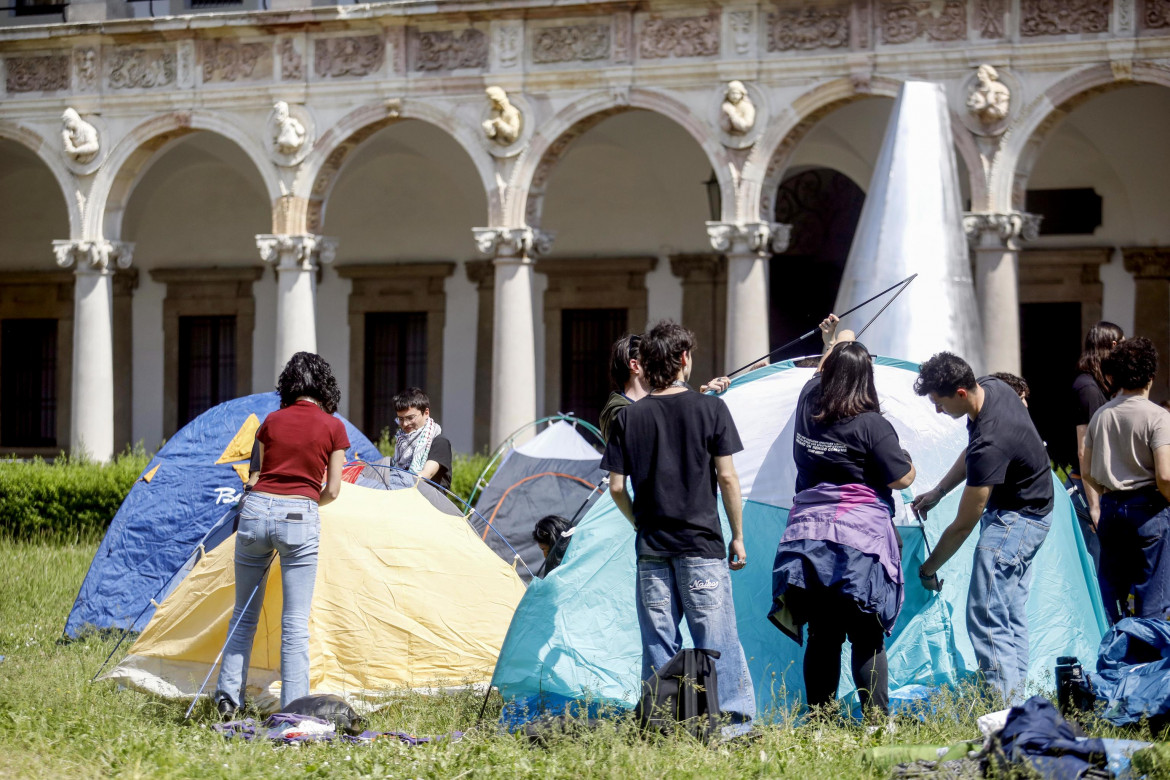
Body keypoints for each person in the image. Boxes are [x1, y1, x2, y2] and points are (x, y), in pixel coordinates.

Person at [601, 320, 755, 736]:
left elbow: (617, 487)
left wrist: (640, 523)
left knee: (658, 641)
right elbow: (727, 479)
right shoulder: (711, 409)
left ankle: (664, 727)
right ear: (684, 358)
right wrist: (737, 534)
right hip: (701, 545)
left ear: (646, 364)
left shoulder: (629, 418)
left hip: (651, 547)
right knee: (717, 637)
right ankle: (734, 726)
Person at [771, 316, 915, 718]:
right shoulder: (873, 425)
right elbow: (902, 478)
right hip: (859, 544)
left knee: (823, 634)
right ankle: (874, 723)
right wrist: (913, 466)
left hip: (807, 539)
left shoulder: (808, 403)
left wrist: (831, 340)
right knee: (866, 635)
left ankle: (819, 722)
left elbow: (824, 370)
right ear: (867, 379)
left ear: (827, 370)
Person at [911, 353, 1054, 706]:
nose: (938, 411)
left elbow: (962, 526)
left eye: (939, 403)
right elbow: (972, 452)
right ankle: (1019, 705)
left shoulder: (993, 439)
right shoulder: (993, 387)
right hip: (1036, 512)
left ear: (960, 393)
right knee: (1008, 611)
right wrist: (939, 491)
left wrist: (928, 568)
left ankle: (1005, 711)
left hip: (1016, 521)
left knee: (985, 612)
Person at [214, 352, 349, 716]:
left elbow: (256, 477)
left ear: (289, 384)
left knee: (243, 613)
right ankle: (293, 709)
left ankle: (227, 699)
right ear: (324, 386)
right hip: (299, 515)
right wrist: (304, 503)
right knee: (294, 623)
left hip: (255, 511)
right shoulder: (334, 427)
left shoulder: (271, 422)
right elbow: (334, 490)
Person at [1082, 337, 1170, 624]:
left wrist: (1099, 504)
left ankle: (1113, 658)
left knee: (1113, 595)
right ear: (1151, 377)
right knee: (1152, 599)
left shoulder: (1101, 416)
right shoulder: (1158, 417)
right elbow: (1165, 475)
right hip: (1149, 511)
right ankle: (1147, 665)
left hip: (1110, 509)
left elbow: (1087, 470)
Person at [1072, 322, 1125, 565]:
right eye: (1123, 344)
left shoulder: (1095, 386)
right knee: (1097, 565)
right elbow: (1085, 452)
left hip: (1095, 486)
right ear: (1113, 345)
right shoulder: (1088, 388)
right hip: (1086, 489)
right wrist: (1095, 506)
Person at [391, 387, 452, 492]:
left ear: (426, 413)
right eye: (401, 419)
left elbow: (426, 474)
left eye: (410, 418)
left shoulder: (439, 442)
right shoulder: (402, 442)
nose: (405, 424)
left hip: (430, 505)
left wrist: (396, 483)